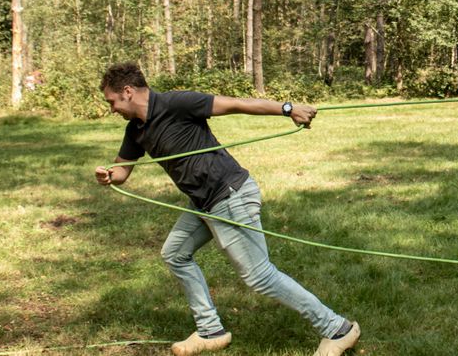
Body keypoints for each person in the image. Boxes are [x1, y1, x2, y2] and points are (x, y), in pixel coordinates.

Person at [94, 63, 360, 356]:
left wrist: (288, 108)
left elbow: (237, 104)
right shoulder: (135, 131)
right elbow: (121, 171)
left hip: (229, 194)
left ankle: (337, 329)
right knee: (175, 254)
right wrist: (108, 175)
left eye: (112, 101)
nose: (111, 109)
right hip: (203, 203)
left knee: (259, 276)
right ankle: (210, 330)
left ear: (128, 92)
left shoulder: (177, 103)